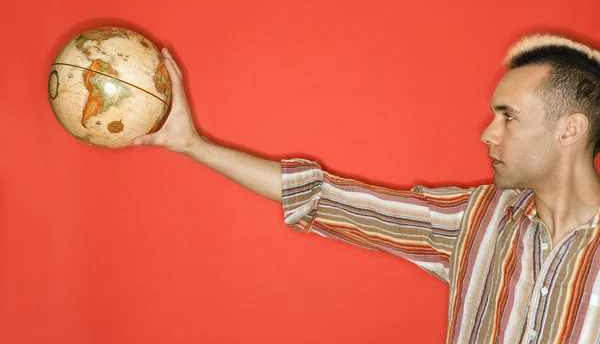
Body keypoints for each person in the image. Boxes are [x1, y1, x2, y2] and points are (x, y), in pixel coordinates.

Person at [133, 34, 600, 343]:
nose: (487, 133)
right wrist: (192, 145)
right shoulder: (477, 219)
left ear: (569, 130)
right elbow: (323, 197)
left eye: (509, 116)